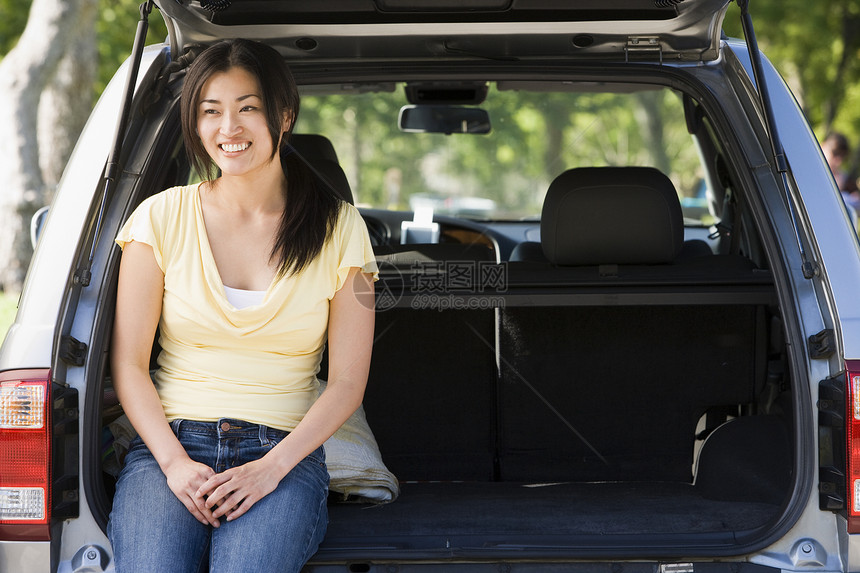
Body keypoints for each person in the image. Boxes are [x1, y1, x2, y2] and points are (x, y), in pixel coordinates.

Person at [107, 39, 378, 573]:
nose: (228, 128)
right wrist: (174, 464)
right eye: (211, 112)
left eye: (247, 108)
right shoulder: (158, 219)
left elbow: (347, 381)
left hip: (282, 450)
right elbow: (128, 365)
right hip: (171, 442)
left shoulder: (342, 227)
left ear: (283, 115)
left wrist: (271, 468)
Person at [821, 131, 860, 212]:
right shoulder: (808, 169)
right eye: (835, 153)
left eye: (842, 157)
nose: (838, 161)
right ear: (822, 146)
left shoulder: (844, 178)